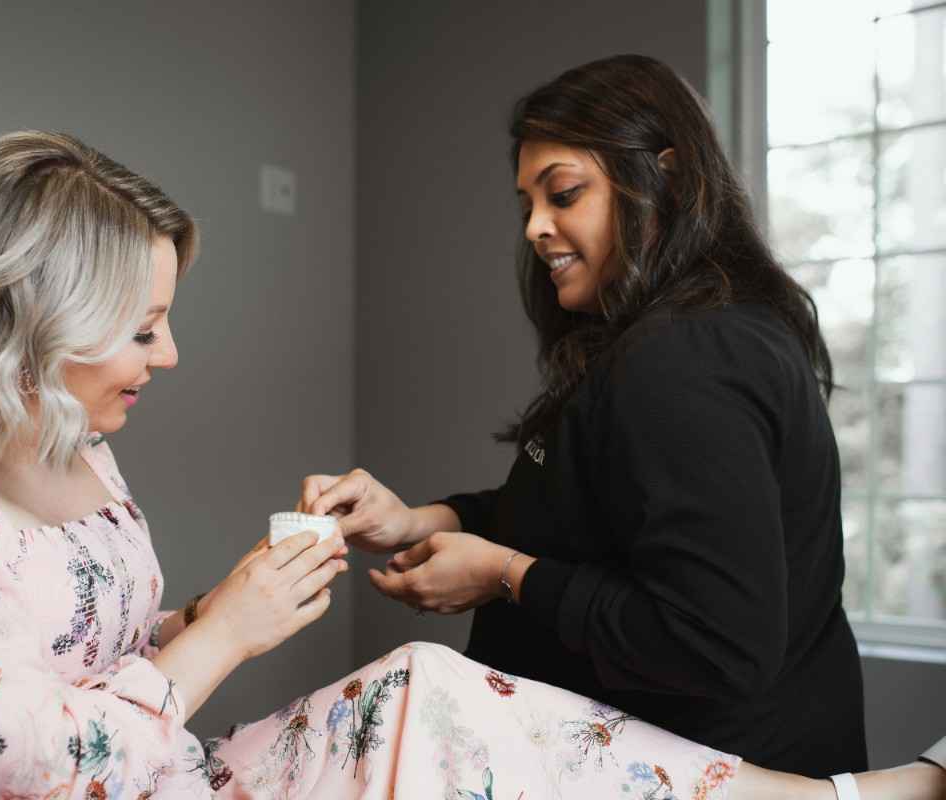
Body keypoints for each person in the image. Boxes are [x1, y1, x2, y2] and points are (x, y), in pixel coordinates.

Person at [0, 131, 942, 800]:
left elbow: (86, 656)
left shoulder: (78, 453)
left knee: (419, 688)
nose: (171, 354)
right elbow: (32, 757)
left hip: (173, 776)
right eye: (142, 328)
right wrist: (226, 630)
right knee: (431, 716)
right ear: (29, 317)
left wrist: (226, 600)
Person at [298, 52, 889, 779]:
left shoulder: (686, 356)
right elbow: (589, 516)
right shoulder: (676, 334)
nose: (536, 228)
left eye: (565, 194)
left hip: (720, 767)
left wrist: (506, 575)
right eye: (527, 207)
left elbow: (715, 640)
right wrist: (421, 522)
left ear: (664, 179)